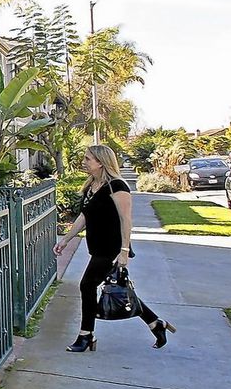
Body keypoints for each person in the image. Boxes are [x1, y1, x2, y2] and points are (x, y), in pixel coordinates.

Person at [53, 144, 175, 352]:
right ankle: (156, 323)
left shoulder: (117, 186)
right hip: (97, 245)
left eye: (88, 159)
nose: (84, 162)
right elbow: (84, 216)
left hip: (111, 247)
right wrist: (66, 239)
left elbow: (126, 220)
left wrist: (124, 251)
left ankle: (86, 335)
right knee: (119, 290)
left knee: (87, 285)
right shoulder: (92, 185)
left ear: (101, 162)